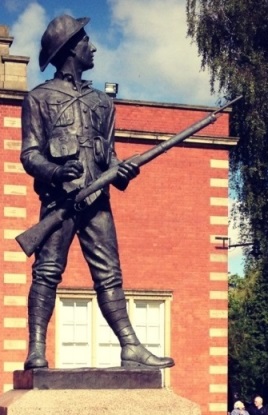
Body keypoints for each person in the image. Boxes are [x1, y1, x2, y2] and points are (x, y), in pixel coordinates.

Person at [20, 15, 174, 371]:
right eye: (86, 41)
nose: (93, 47)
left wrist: (122, 172)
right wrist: (57, 172)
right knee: (46, 272)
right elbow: (29, 154)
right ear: (71, 47)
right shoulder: (39, 98)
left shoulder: (103, 103)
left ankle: (130, 347)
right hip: (61, 201)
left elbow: (109, 156)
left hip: (97, 203)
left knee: (110, 276)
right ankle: (37, 349)